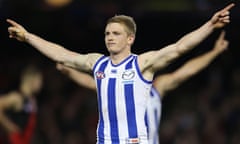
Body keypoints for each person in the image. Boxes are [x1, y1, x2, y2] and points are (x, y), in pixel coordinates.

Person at [7, 3, 234, 143]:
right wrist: (28, 37)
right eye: (107, 33)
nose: (110, 37)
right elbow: (62, 54)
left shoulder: (142, 63)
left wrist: (209, 26)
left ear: (130, 39)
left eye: (116, 33)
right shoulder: (98, 63)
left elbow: (179, 48)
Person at [56, 30, 229, 144]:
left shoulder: (157, 87)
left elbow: (186, 71)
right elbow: (91, 83)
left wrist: (213, 53)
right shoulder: (118, 86)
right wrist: (70, 72)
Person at [0, 66, 43, 144]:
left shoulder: (32, 100)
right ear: (31, 79)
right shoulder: (17, 97)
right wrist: (8, 126)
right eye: (39, 80)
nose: (41, 84)